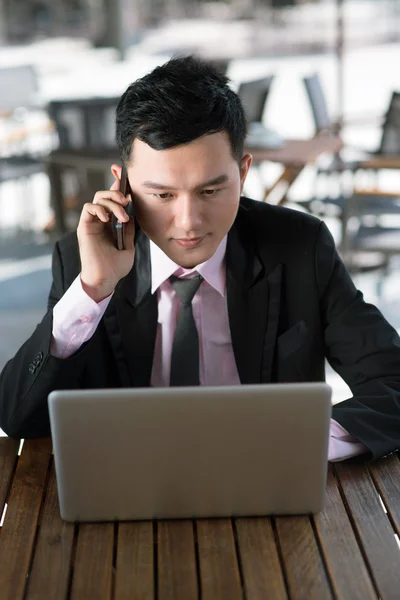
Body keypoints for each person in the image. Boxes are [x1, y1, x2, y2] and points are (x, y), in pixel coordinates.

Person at [1, 56, 400, 462]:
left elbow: (394, 384)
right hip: (130, 490)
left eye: (210, 191)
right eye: (162, 195)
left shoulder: (299, 246)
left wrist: (301, 442)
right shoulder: (82, 259)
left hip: (270, 485)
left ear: (243, 173)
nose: (189, 222)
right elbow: (17, 419)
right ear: (122, 185)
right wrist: (93, 291)